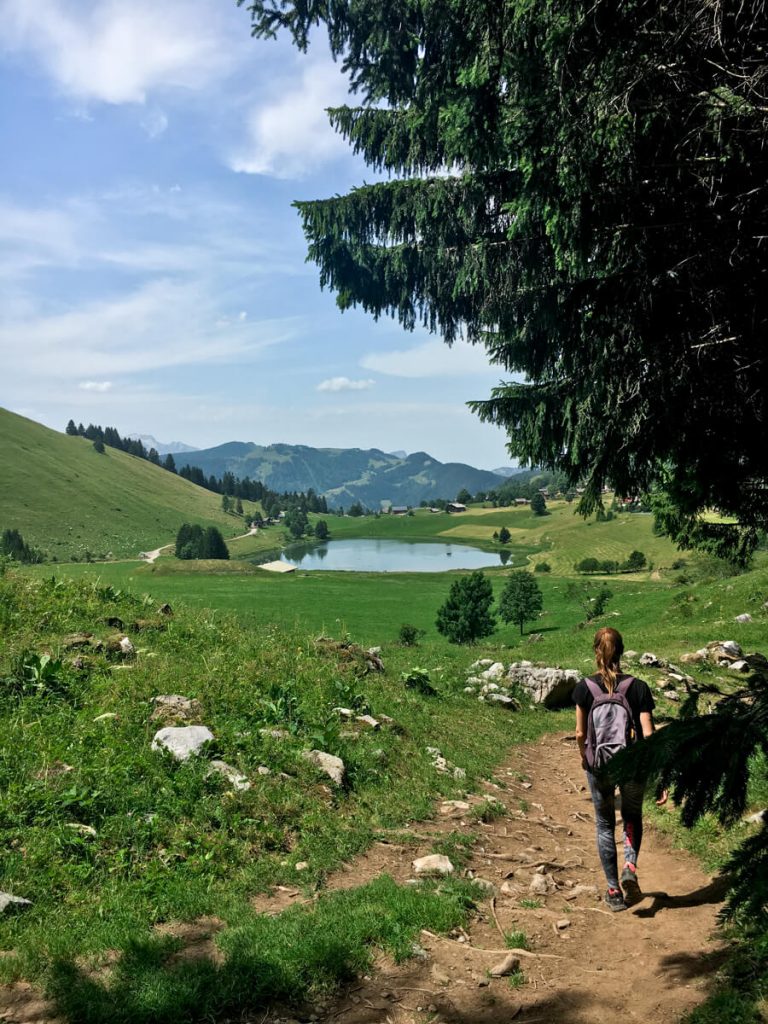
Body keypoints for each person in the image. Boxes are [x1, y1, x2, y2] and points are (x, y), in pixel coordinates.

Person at [573, 626, 667, 911]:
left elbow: (580, 734)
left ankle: (614, 892)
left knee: (603, 824)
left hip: (598, 765)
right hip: (633, 764)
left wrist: (584, 758)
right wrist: (658, 773)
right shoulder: (638, 687)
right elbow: (649, 735)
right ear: (622, 651)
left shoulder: (584, 688)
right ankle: (630, 866)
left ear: (595, 652)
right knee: (632, 815)